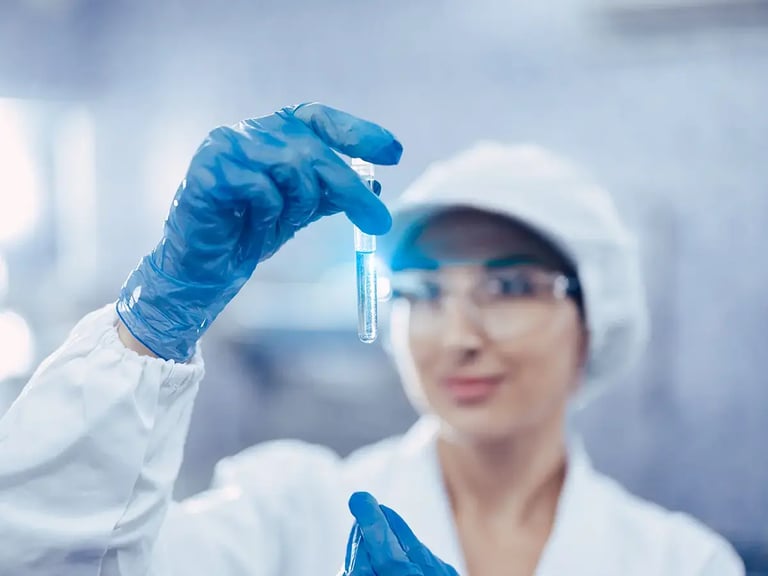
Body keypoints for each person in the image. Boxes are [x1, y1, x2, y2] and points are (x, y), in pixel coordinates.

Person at [0, 103, 742, 576]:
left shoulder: (681, 561)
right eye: (423, 291)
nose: (459, 335)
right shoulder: (289, 511)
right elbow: (49, 560)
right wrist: (159, 312)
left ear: (595, 320)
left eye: (510, 287)